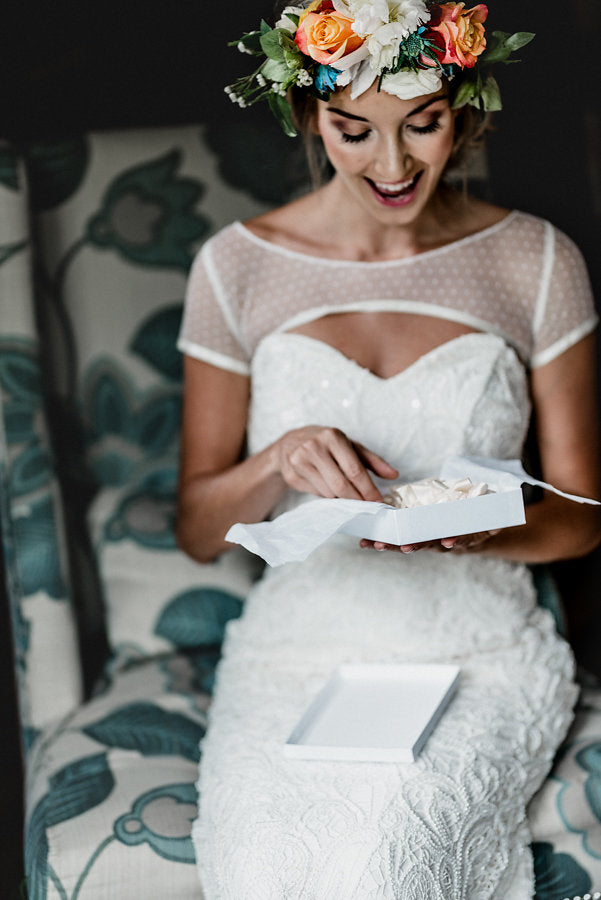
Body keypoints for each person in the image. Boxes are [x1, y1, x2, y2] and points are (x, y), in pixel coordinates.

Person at [176, 1, 601, 896]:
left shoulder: (535, 261)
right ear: (307, 117)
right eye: (352, 130)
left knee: (384, 867)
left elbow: (582, 521)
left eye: (423, 123)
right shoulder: (234, 267)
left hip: (476, 652)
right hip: (294, 655)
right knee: (260, 868)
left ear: (467, 110)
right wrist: (275, 461)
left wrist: (484, 529)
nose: (393, 163)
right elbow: (196, 530)